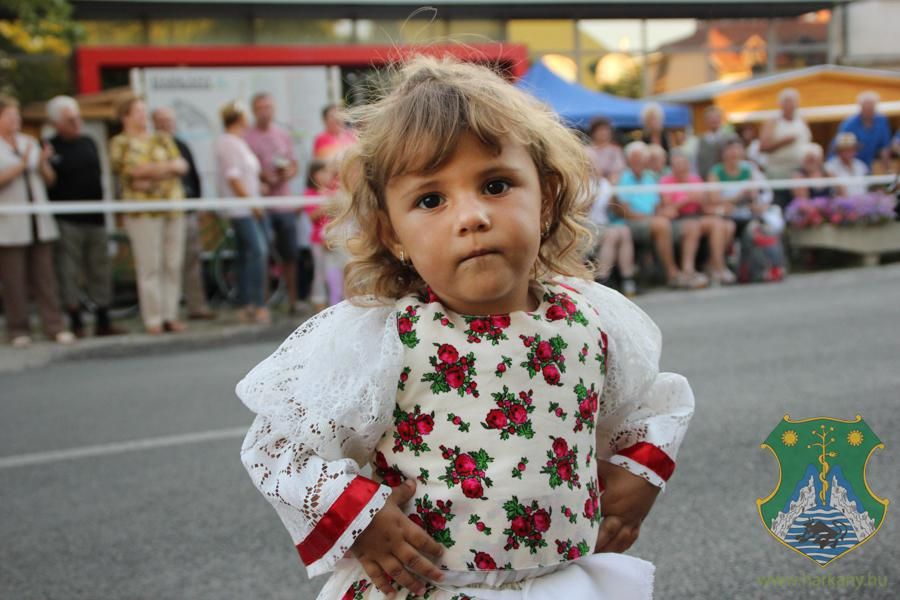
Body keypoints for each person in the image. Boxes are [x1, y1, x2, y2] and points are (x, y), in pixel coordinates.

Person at [238, 57, 694, 600]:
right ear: (393, 231)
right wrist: (362, 516)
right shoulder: (383, 337)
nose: (471, 216)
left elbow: (649, 404)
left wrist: (639, 475)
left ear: (545, 197)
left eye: (496, 185)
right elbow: (279, 446)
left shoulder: (592, 319)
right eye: (431, 200)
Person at [109, 97, 188, 335]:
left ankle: (170, 314)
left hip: (172, 207)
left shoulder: (161, 138)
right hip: (142, 211)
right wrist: (166, 169)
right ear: (126, 116)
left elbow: (181, 166)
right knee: (150, 265)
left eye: (145, 111)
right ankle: (153, 318)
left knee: (172, 263)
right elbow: (130, 171)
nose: (144, 116)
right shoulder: (120, 142)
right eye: (138, 112)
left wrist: (151, 172)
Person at [0, 95, 74, 347]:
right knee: (14, 280)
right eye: (10, 116)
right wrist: (22, 163)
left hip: (39, 221)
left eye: (17, 116)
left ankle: (54, 326)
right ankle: (18, 329)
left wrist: (42, 163)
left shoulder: (29, 141)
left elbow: (49, 180)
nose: (16, 120)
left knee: (45, 277)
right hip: (10, 223)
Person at [45, 95, 122, 337]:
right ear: (57, 123)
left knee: (99, 268)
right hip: (68, 220)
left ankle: (103, 318)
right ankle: (76, 319)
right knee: (69, 270)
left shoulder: (89, 142)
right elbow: (50, 182)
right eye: (70, 119)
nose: (77, 122)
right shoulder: (50, 146)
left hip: (95, 217)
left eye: (78, 117)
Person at [151, 106, 215, 321]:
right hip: (162, 212)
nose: (166, 124)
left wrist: (196, 205)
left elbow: (194, 176)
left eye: (169, 120)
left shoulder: (182, 145)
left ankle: (196, 306)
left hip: (186, 210)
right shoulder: (152, 147)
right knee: (165, 263)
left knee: (191, 259)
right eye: (161, 120)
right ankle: (167, 312)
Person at [615, 141, 706, 289]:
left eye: (641, 158)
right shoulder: (623, 178)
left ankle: (688, 271)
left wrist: (663, 212)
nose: (638, 162)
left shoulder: (649, 177)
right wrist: (653, 217)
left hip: (653, 220)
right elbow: (624, 211)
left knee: (689, 226)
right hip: (631, 223)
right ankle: (672, 274)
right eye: (635, 158)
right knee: (662, 224)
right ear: (629, 160)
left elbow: (657, 205)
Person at [244, 92, 301, 313]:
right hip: (262, 205)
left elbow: (294, 165)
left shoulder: (283, 134)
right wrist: (262, 177)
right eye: (260, 107)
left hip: (283, 202)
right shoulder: (248, 137)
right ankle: (263, 301)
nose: (265, 111)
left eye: (268, 106)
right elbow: (247, 170)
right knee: (263, 254)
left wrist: (288, 172)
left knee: (290, 254)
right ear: (253, 110)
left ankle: (293, 301)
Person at [215, 101, 270, 325]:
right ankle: (256, 303)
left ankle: (247, 303)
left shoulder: (237, 142)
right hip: (242, 210)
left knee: (246, 255)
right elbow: (234, 178)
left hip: (246, 207)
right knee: (258, 253)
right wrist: (252, 203)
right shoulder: (229, 143)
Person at [659, 150, 736, 285]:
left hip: (697, 216)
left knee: (720, 224)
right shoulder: (666, 181)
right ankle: (688, 270)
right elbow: (669, 209)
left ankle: (717, 266)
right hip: (678, 220)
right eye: (678, 165)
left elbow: (705, 206)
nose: (682, 168)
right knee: (693, 227)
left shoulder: (695, 179)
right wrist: (687, 200)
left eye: (684, 164)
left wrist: (702, 201)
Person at [303, 159, 345, 311]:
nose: (326, 175)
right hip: (317, 240)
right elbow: (312, 216)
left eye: (327, 172)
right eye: (322, 172)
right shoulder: (310, 194)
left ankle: (337, 300)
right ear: (313, 175)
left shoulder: (332, 192)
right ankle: (319, 300)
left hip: (334, 239)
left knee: (336, 270)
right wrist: (327, 205)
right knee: (320, 272)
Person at [587, 171, 636, 297]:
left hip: (604, 223)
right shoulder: (579, 183)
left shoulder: (604, 183)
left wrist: (614, 194)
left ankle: (627, 278)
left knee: (625, 231)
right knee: (612, 234)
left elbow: (616, 209)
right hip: (586, 224)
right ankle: (603, 279)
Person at [759, 88, 811, 208]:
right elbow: (763, 147)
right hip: (777, 171)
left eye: (793, 101)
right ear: (780, 104)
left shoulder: (802, 120)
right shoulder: (772, 121)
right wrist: (783, 142)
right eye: (787, 101)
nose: (790, 104)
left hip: (800, 169)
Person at [830, 91, 893, 168]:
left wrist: (887, 167)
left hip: (867, 163)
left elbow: (885, 146)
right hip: (848, 164)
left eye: (871, 108)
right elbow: (840, 146)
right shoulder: (849, 123)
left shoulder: (881, 120)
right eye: (866, 108)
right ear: (861, 107)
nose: (868, 111)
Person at [825, 132, 869, 197]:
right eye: (845, 150)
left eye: (851, 149)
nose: (848, 152)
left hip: (863, 202)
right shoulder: (830, 166)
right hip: (842, 204)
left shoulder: (861, 165)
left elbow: (867, 187)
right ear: (838, 151)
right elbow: (838, 190)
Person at [585, 117, 625, 184]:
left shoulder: (616, 150)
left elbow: (618, 171)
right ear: (593, 132)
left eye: (606, 130)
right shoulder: (586, 151)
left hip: (613, 187)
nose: (604, 133)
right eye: (600, 130)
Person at [696, 106, 728, 179]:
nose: (713, 120)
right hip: (706, 181)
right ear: (705, 121)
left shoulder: (730, 138)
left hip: (726, 182)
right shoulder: (699, 140)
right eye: (710, 118)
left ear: (721, 119)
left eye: (716, 117)